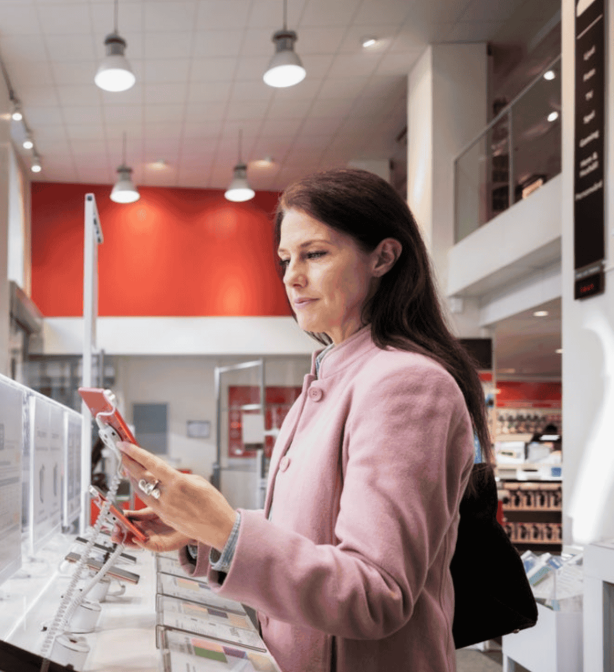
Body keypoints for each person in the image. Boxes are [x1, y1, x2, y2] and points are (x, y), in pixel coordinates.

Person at [114, 168, 492, 672]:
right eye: (285, 259)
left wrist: (229, 529)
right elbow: (312, 536)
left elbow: (375, 591)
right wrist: (204, 531)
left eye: (315, 254)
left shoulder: (406, 383)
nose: (292, 276)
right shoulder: (328, 377)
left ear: (383, 256)